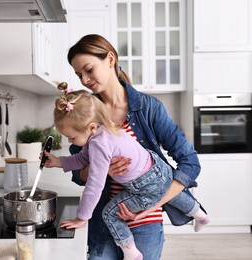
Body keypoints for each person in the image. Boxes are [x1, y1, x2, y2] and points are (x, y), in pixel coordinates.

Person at [65, 34, 204, 260]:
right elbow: (78, 174)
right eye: (79, 74)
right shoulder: (85, 112)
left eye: (89, 70)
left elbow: (190, 162)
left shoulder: (149, 108)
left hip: (146, 222)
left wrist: (153, 205)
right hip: (104, 221)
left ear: (110, 59)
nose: (85, 80)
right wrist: (102, 169)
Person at [44, 89, 209, 260]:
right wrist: (57, 161)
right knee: (165, 188)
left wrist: (81, 217)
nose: (71, 142)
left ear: (91, 127)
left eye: (72, 137)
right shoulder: (105, 130)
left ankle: (131, 252)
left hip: (143, 186)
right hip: (158, 167)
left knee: (108, 214)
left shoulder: (99, 145)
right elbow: (81, 159)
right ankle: (200, 215)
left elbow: (94, 186)